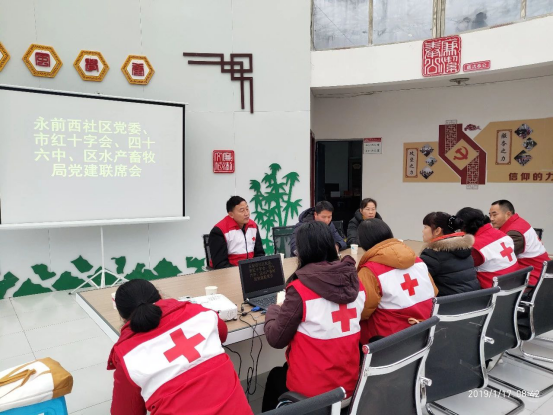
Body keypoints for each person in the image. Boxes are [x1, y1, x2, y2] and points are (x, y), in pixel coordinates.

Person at [108, 279, 252, 415]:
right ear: (160, 296)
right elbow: (222, 333)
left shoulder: (127, 355)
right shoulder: (200, 313)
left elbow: (124, 412)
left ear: (123, 317)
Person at [261, 221, 365, 411]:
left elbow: (276, 339)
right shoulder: (356, 284)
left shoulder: (299, 290)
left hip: (315, 396)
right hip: (350, 388)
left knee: (275, 376)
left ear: (302, 252)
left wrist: (274, 308)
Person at [356, 219, 438, 344]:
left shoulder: (370, 270)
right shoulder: (418, 261)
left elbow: (362, 311)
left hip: (391, 340)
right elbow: (434, 291)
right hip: (427, 330)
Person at [489, 200, 549, 287]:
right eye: (490, 215)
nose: (491, 219)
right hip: (537, 271)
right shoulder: (518, 222)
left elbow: (501, 259)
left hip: (532, 277)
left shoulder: (514, 233)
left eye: (495, 215)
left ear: (508, 214)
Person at [456, 207, 519, 289]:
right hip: (514, 288)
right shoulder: (502, 234)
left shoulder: (476, 247)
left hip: (493, 292)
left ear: (464, 227)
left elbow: (459, 267)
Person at [419, 212, 480, 296]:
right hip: (474, 299)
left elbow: (419, 279)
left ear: (437, 231)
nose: (423, 231)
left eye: (425, 227)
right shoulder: (465, 248)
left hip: (449, 302)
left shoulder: (432, 253)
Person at [209, 196, 265, 269]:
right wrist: (241, 271)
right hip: (229, 272)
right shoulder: (219, 231)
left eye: (247, 209)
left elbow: (259, 254)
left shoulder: (253, 226)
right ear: (231, 214)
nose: (246, 213)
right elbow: (220, 264)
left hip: (250, 270)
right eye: (242, 210)